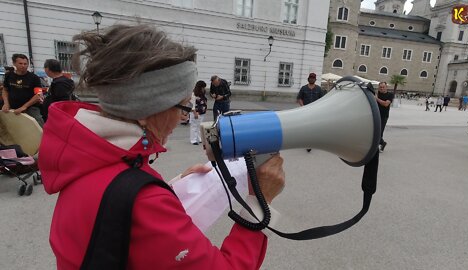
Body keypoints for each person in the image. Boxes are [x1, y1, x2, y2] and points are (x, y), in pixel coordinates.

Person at [38, 24, 285, 270]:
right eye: (183, 106)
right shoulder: (144, 201)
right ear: (146, 108)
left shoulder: (85, 153)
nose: (182, 117)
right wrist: (258, 202)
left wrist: (167, 189)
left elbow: (109, 212)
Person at [2, 54, 44, 127]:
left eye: (25, 64)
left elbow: (38, 94)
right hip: (12, 107)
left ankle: (45, 137)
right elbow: (5, 90)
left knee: (39, 122)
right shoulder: (8, 75)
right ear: (14, 63)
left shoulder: (34, 78)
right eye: (20, 63)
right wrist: (6, 103)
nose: (23, 66)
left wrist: (24, 107)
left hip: (30, 107)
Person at [296, 72, 325, 152]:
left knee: (313, 128)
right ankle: (307, 142)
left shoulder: (319, 89)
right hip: (305, 111)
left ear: (315, 80)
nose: (312, 79)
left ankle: (310, 143)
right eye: (310, 78)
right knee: (306, 127)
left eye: (313, 78)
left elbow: (322, 100)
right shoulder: (304, 88)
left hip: (315, 112)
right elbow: (299, 98)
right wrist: (303, 106)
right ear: (308, 79)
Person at [375, 82, 394, 152]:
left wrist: (377, 99)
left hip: (384, 116)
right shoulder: (377, 94)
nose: (382, 88)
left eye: (383, 87)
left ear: (386, 87)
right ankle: (381, 143)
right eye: (380, 87)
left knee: (379, 132)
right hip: (376, 115)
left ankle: (382, 143)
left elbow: (386, 104)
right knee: (374, 131)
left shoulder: (390, 95)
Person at [190, 80, 207, 145]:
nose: (204, 89)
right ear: (200, 87)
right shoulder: (194, 94)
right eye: (203, 87)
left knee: (199, 126)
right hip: (195, 112)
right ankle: (193, 140)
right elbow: (192, 104)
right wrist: (194, 112)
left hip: (202, 112)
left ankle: (199, 138)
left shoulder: (202, 93)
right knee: (194, 126)